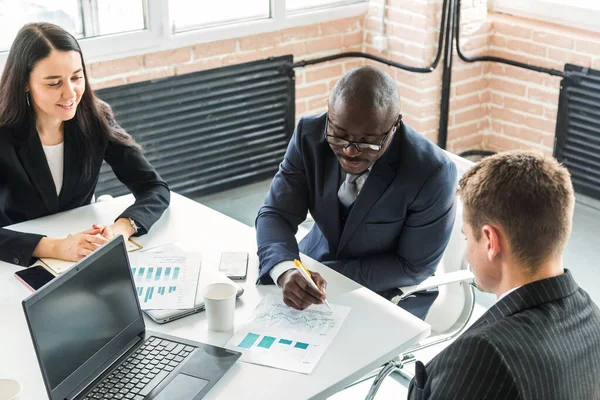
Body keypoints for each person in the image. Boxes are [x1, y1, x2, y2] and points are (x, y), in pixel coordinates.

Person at [255, 66, 457, 319]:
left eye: (369, 141)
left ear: (395, 124)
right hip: (311, 265)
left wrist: (328, 275)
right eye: (339, 135)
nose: (350, 151)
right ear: (329, 115)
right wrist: (284, 269)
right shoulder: (309, 134)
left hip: (389, 293)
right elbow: (276, 214)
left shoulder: (432, 172)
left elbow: (414, 266)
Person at [408, 150, 600, 399]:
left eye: (467, 237)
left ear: (490, 240)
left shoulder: (481, 358)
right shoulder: (593, 319)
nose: (467, 251)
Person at [0, 23, 170, 267]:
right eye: (54, 83)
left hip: (83, 254)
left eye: (76, 77)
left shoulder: (95, 117)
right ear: (24, 82)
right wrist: (58, 246)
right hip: (17, 259)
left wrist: (118, 231)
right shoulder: (3, 134)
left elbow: (155, 187)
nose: (70, 94)